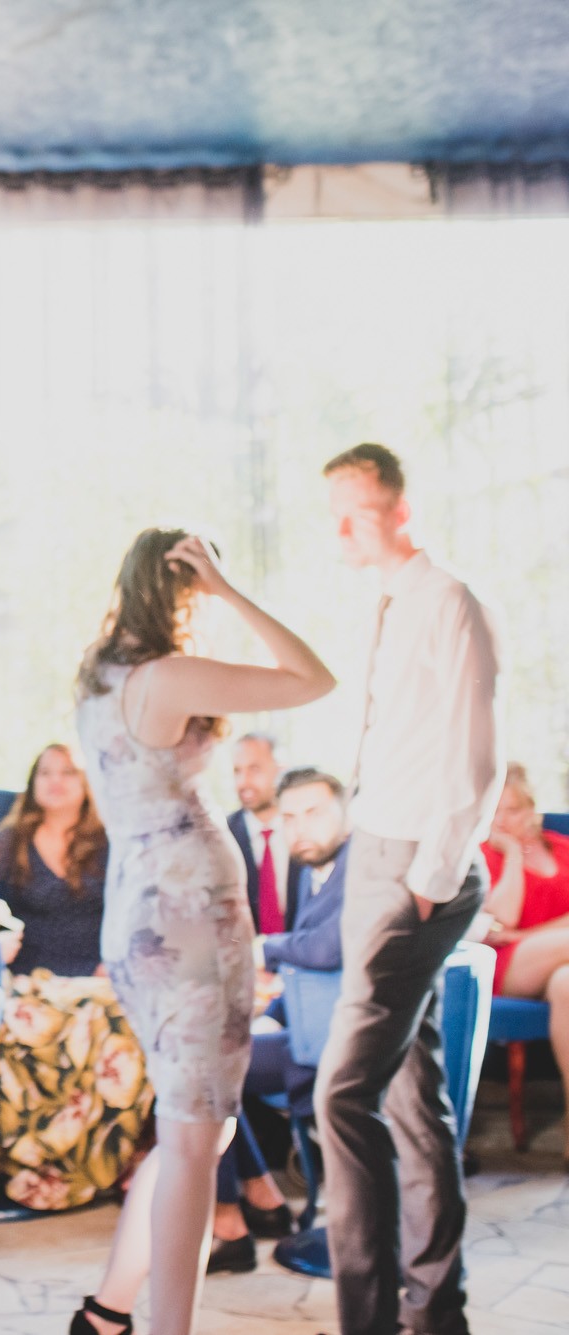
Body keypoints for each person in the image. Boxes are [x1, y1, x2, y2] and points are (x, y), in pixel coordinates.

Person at [70, 529, 335, 1335]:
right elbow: (313, 677)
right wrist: (228, 591)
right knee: (195, 1135)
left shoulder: (99, 675)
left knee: (198, 1127)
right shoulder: (167, 673)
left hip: (137, 911)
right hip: (187, 916)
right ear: (180, 588)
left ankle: (108, 1311)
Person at [316, 442, 501, 1335]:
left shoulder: (450, 603)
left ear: (399, 511)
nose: (337, 528)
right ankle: (437, 1314)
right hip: (372, 852)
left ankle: (370, 1319)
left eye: (351, 510)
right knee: (408, 1098)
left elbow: (477, 755)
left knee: (339, 1091)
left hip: (419, 872)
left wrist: (430, 879)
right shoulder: (377, 606)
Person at [207, 767, 350, 1274]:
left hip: (340, 1050)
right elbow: (307, 967)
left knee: (204, 1072)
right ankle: (261, 1201)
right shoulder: (317, 870)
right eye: (289, 817)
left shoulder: (359, 866)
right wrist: (269, 1016)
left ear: (346, 812)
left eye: (314, 813)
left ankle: (233, 1224)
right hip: (308, 1031)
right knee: (215, 1061)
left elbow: (331, 947)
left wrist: (261, 947)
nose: (300, 829)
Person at [0, 744, 108, 977]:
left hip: (100, 974)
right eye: (45, 773)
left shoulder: (109, 840)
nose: (55, 780)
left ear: (86, 781)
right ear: (33, 785)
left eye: (68, 772)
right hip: (30, 975)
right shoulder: (14, 840)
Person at [479, 763, 569, 1146]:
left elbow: (519, 928)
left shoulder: (562, 845)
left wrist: (531, 934)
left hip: (558, 963)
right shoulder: (486, 853)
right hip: (510, 966)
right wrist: (512, 853)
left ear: (530, 807)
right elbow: (502, 919)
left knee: (567, 984)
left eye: (511, 809)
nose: (501, 819)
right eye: (494, 810)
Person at [228, 734, 294, 936]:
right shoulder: (222, 836)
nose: (243, 782)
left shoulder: (304, 827)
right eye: (237, 771)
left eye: (254, 770)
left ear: (281, 771)